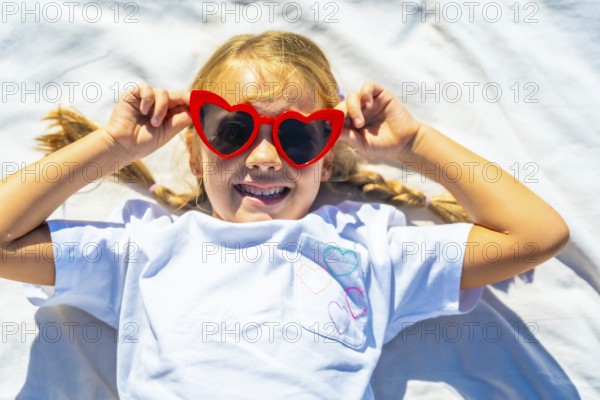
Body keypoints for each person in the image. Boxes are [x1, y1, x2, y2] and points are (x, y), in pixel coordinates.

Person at [0, 31, 569, 399]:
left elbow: (538, 234)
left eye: (298, 136)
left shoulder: (367, 249)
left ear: (326, 160)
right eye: (234, 131)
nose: (266, 157)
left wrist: (414, 143)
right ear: (197, 156)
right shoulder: (146, 248)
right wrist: (112, 148)